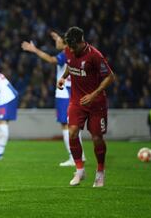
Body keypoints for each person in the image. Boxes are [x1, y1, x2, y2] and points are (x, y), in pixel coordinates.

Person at [57, 27, 115, 187]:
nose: (71, 49)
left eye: (73, 46)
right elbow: (70, 64)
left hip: (96, 104)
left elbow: (110, 77)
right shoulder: (69, 51)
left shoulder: (95, 56)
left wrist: (94, 94)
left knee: (97, 138)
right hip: (76, 101)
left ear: (82, 42)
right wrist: (63, 77)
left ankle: (100, 172)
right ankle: (80, 170)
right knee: (73, 132)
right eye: (68, 46)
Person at [21, 32, 86, 166]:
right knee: (72, 124)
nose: (55, 43)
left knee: (66, 125)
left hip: (65, 93)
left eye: (58, 41)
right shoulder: (72, 52)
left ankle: (73, 157)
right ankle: (80, 155)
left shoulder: (65, 53)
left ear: (65, 43)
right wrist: (58, 37)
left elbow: (51, 60)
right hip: (72, 90)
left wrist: (34, 50)